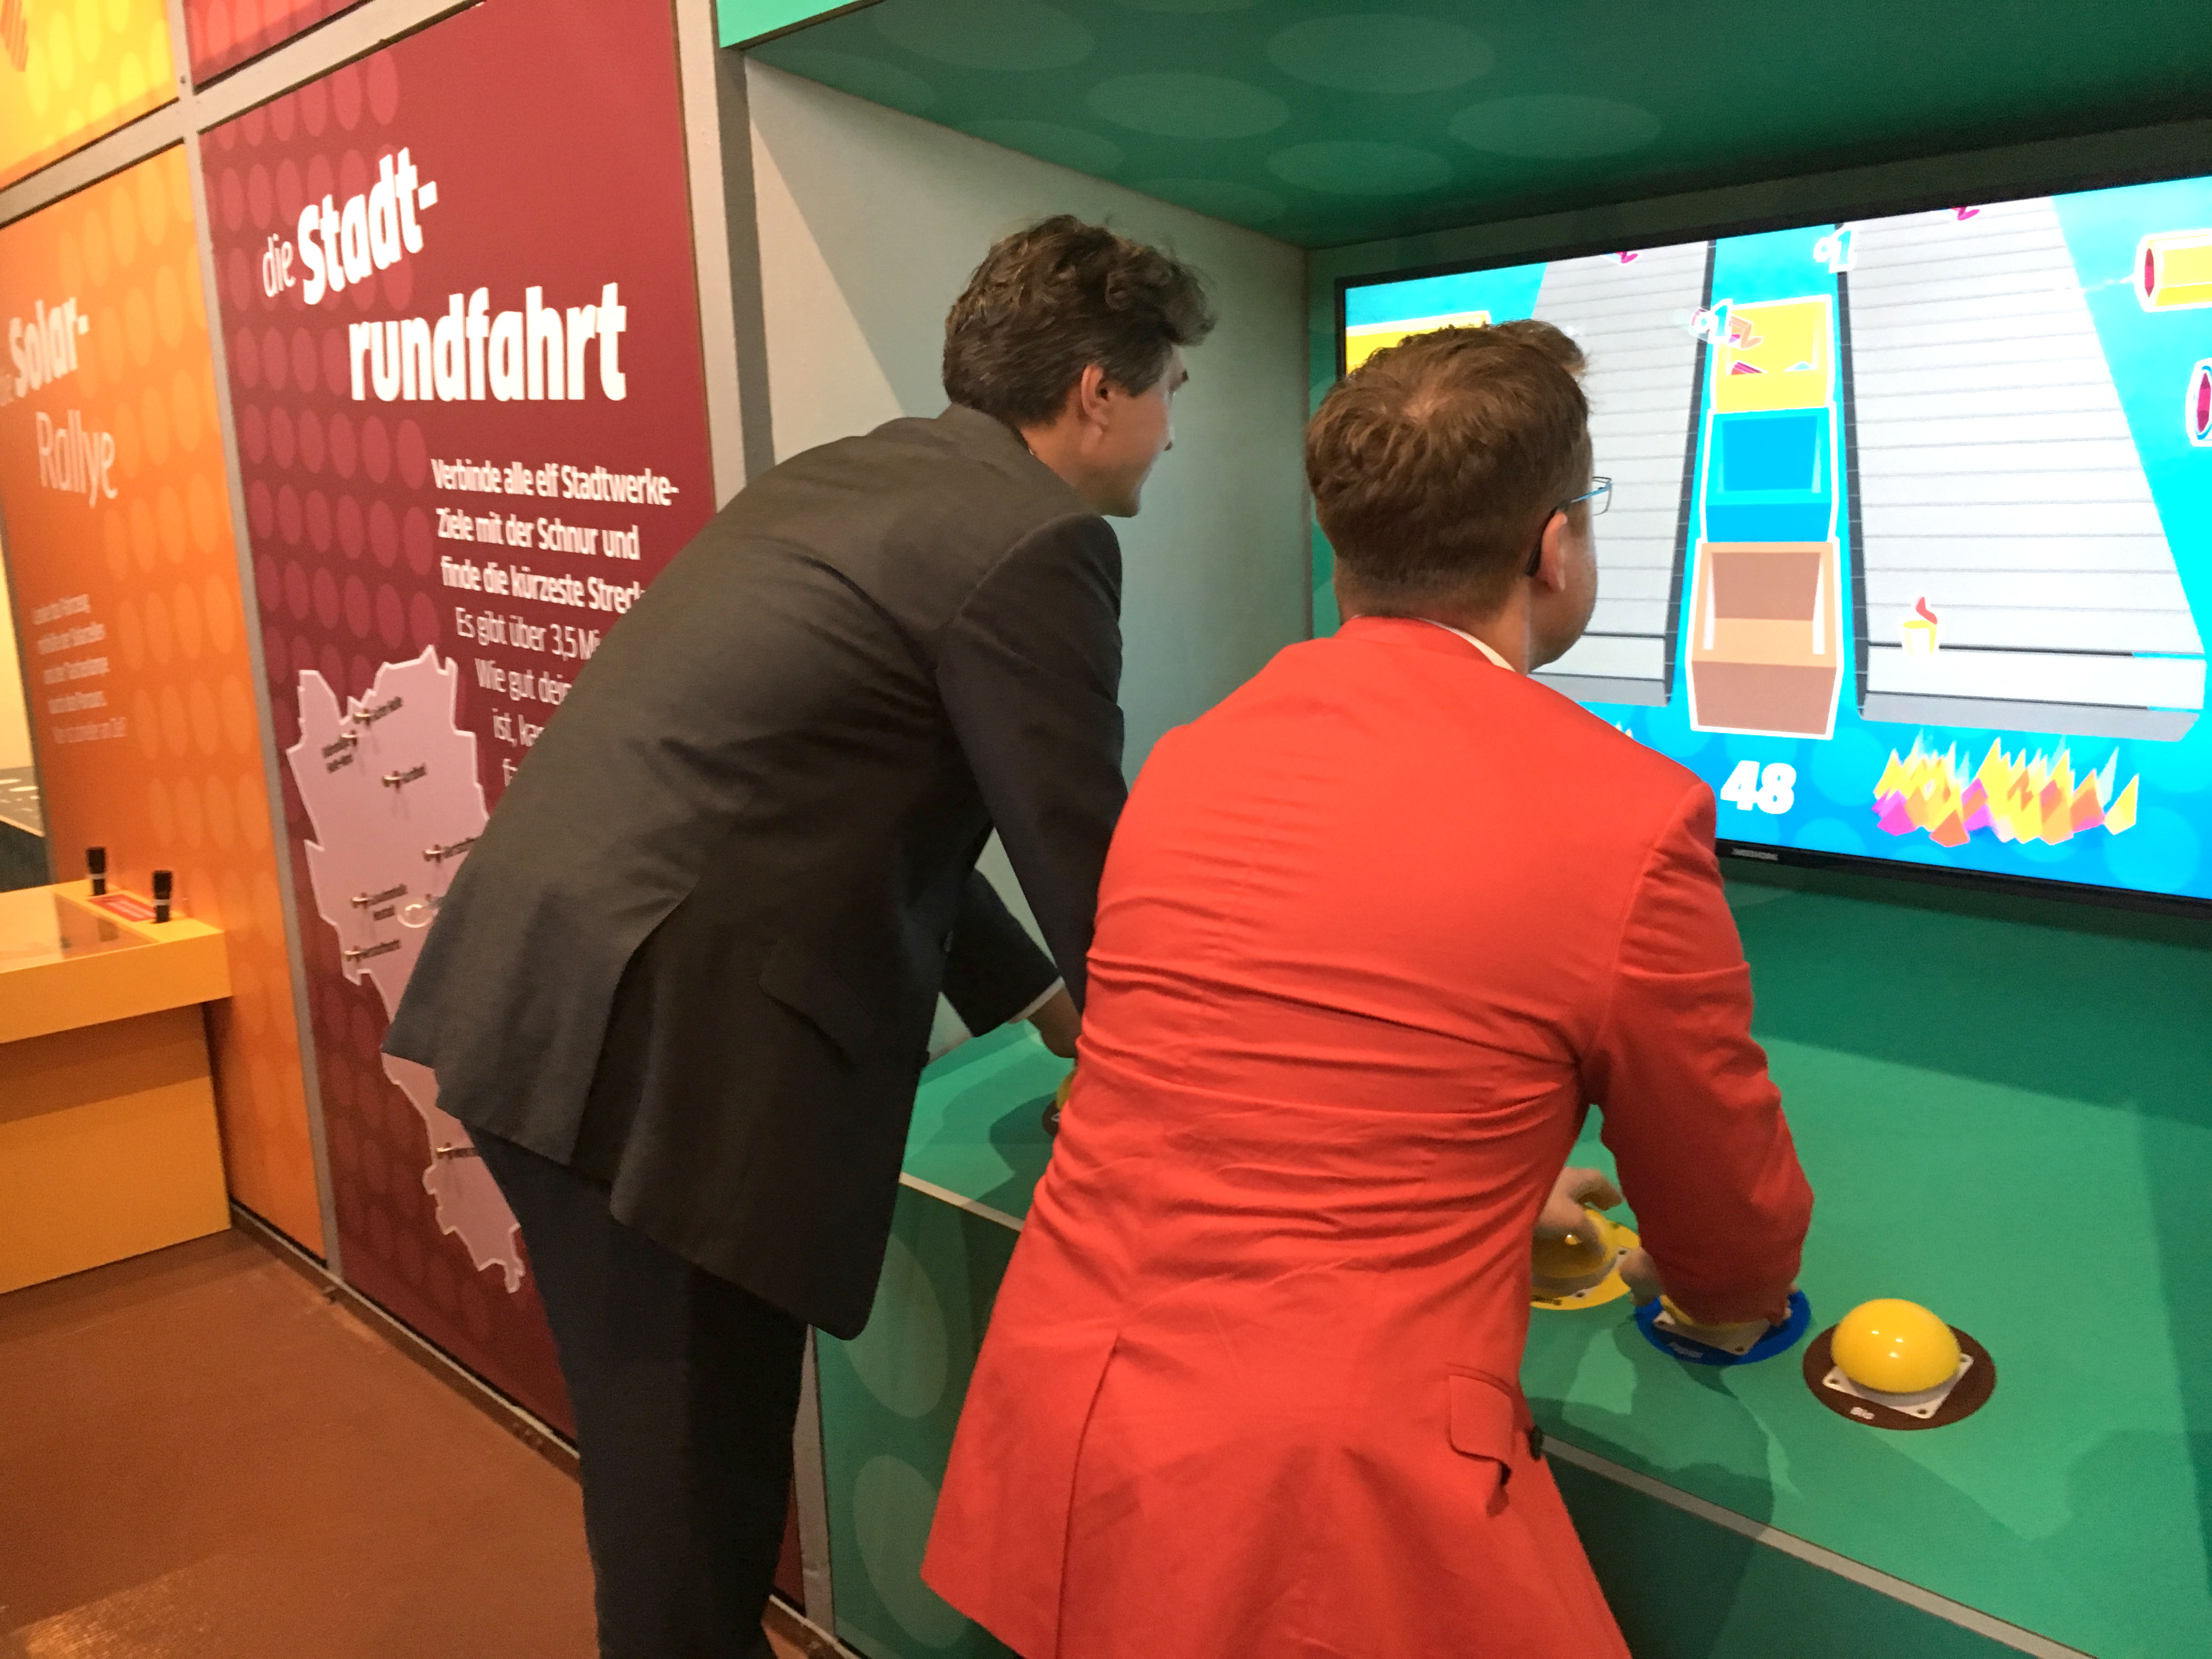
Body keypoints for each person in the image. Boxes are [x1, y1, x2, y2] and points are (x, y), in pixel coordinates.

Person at [382, 216, 1214, 1659]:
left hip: (549, 1002)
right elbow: (1093, 867)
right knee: (689, 1512)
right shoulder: (1038, 541)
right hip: (658, 1074)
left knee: (679, 1484)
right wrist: (1233, 1107)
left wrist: (1057, 1020)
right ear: (1097, 391)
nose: (1169, 433)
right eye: (1167, 394)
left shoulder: (860, 478)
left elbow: (869, 811)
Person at [922, 321, 1814, 1659]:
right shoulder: (1629, 817)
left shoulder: (1195, 759)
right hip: (1323, 1517)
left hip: (1065, 1438)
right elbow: (1730, 1245)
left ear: (1345, 546)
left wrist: (1487, 1184)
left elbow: (1232, 1078)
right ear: (1554, 547)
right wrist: (1722, 1297)